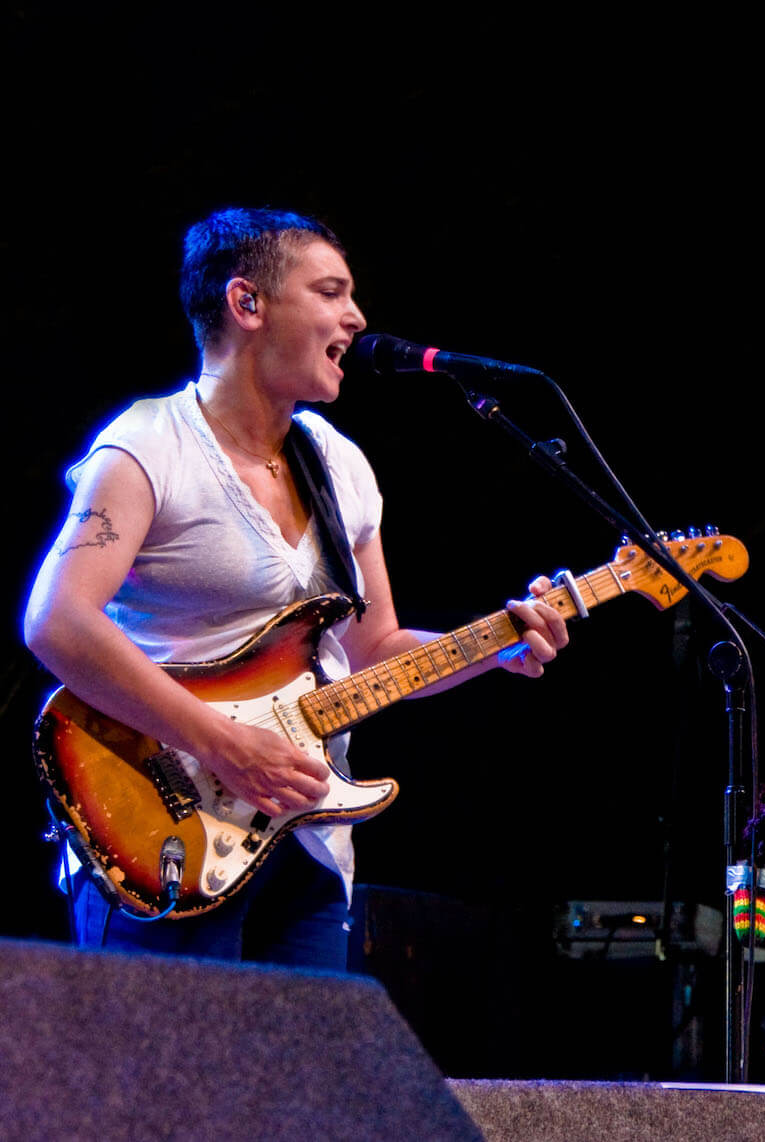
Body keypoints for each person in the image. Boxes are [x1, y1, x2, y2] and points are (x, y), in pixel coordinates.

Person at [23, 207, 569, 969]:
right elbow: (57, 622)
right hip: (158, 828)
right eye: (331, 292)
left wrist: (494, 649)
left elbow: (373, 649)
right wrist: (220, 742)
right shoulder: (148, 445)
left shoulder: (340, 466)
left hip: (305, 842)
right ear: (247, 304)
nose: (357, 316)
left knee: (302, 1087)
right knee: (169, 1086)